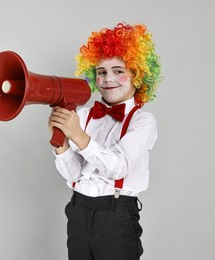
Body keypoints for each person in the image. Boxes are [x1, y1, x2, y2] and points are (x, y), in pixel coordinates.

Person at [48, 22, 162, 260]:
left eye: (118, 71)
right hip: (78, 211)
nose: (109, 79)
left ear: (137, 74)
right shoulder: (83, 115)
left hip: (116, 214)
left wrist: (77, 135)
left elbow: (118, 166)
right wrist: (62, 145)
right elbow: (73, 175)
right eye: (101, 72)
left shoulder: (144, 121)